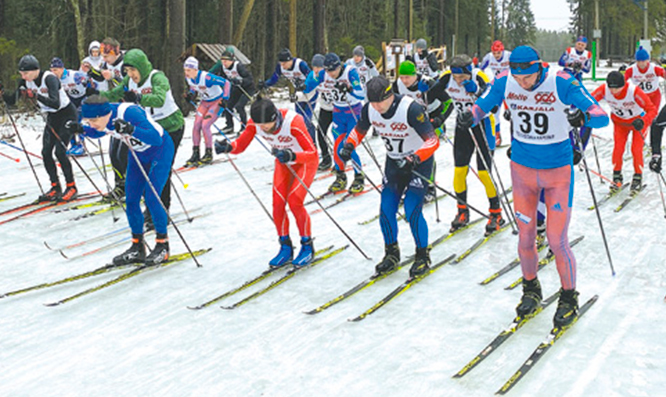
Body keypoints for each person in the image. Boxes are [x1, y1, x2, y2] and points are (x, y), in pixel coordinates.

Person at [461, 45, 609, 328]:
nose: (523, 83)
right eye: (518, 78)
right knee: (526, 237)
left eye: (527, 77)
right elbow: (483, 104)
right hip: (523, 172)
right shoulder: (506, 80)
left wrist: (582, 118)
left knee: (556, 240)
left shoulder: (561, 81)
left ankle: (568, 297)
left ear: (539, 67)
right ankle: (531, 289)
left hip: (557, 173)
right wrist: (472, 115)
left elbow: (601, 115)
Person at [339, 76, 439, 277]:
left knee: (412, 210)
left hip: (418, 163)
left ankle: (422, 255)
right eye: (373, 102)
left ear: (390, 96)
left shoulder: (410, 109)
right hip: (394, 163)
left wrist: (415, 157)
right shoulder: (370, 109)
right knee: (386, 209)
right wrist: (349, 145)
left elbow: (432, 140)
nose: (377, 106)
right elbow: (359, 130)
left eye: (380, 101)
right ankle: (391, 253)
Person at [214, 97, 318, 267]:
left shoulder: (293, 122)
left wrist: (291, 155)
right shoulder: (255, 123)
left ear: (275, 118)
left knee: (295, 201)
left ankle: (307, 245)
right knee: (277, 204)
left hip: (304, 162)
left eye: (266, 125)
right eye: (259, 125)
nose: (262, 129)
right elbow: (241, 145)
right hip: (284, 163)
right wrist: (227, 147)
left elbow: (312, 153)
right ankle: (285, 247)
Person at [77, 95, 174, 265]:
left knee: (151, 198)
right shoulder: (102, 119)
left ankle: (162, 245)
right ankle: (137, 247)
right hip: (138, 154)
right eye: (88, 120)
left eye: (93, 120)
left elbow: (155, 138)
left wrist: (130, 129)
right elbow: (99, 131)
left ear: (104, 114)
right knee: (131, 200)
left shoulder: (129, 112)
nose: (91, 124)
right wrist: (81, 129)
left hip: (160, 150)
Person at [101, 49, 185, 228]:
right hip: (152, 129)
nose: (131, 75)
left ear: (142, 67)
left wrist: (139, 97)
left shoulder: (157, 77)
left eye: (133, 70)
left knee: (162, 170)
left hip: (171, 126)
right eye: (128, 71)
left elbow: (160, 99)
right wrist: (96, 99)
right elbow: (114, 94)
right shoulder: (129, 80)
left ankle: (162, 210)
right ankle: (151, 207)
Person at [432, 54, 501, 235]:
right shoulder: (447, 77)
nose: (458, 80)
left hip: (483, 127)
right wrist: (424, 88)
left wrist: (477, 91)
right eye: (456, 77)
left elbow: (494, 106)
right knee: (459, 171)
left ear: (469, 72)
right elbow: (433, 94)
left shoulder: (480, 76)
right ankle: (462, 211)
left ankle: (496, 212)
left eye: (462, 77)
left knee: (484, 173)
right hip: (463, 127)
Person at [1, 55, 78, 202]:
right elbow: (12, 101)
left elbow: (55, 103)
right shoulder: (25, 81)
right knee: (46, 152)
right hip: (52, 117)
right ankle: (55, 187)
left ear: (35, 70)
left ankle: (72, 186)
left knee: (60, 152)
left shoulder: (49, 78)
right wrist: (3, 94)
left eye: (26, 73)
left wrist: (36, 96)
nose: (23, 76)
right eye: (21, 74)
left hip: (67, 114)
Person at [302, 52, 366, 193]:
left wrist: (349, 89)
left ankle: (359, 176)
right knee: (337, 145)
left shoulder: (350, 72)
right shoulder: (324, 74)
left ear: (338, 67)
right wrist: (301, 87)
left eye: (333, 71)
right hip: (338, 113)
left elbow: (362, 94)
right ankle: (340, 176)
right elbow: (308, 86)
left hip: (353, 112)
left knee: (349, 145)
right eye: (328, 71)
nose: (330, 74)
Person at [393, 60, 453, 202]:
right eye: (402, 77)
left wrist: (441, 119)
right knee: (409, 153)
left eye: (407, 77)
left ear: (415, 75)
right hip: (414, 121)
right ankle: (410, 185)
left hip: (433, 119)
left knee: (426, 153)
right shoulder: (397, 85)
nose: (404, 80)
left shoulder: (428, 83)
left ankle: (429, 187)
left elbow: (449, 103)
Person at [590, 71, 657, 192]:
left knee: (636, 149)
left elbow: (652, 110)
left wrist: (643, 121)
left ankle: (637, 176)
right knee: (618, 148)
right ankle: (617, 176)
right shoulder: (604, 89)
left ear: (624, 84)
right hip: (620, 124)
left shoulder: (634, 91)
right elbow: (589, 100)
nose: (614, 92)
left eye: (617, 88)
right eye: (611, 88)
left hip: (637, 124)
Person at [258, 48, 316, 139]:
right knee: (300, 120)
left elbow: (311, 76)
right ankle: (304, 142)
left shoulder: (300, 64)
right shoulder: (280, 66)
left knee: (307, 121)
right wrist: (265, 84)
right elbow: (274, 78)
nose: (282, 66)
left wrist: (305, 84)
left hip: (310, 93)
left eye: (284, 63)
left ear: (290, 60)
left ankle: (313, 142)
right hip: (298, 94)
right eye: (281, 63)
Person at [183, 56, 231, 166]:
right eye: (185, 70)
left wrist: (225, 98)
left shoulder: (207, 77)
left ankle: (208, 153)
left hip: (216, 102)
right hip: (205, 102)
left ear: (195, 69)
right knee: (196, 125)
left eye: (189, 70)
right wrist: (190, 94)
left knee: (205, 125)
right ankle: (196, 153)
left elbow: (227, 83)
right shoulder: (189, 78)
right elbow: (193, 87)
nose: (186, 73)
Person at [209, 48, 256, 134]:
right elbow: (223, 79)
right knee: (227, 105)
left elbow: (250, 79)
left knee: (239, 106)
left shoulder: (238, 66)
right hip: (236, 88)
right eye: (222, 60)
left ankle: (244, 126)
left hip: (247, 88)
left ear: (231, 60)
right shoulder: (223, 68)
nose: (224, 63)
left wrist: (240, 81)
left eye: (226, 61)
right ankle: (229, 126)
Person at [49, 57, 89, 156]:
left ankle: (81, 145)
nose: (54, 73)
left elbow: (90, 81)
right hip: (71, 100)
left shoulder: (74, 75)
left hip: (83, 98)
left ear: (62, 68)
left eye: (56, 70)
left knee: (76, 120)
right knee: (68, 122)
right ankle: (74, 144)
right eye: (52, 70)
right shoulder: (54, 79)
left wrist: (87, 84)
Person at [479, 40, 512, 146]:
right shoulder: (488, 57)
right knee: (495, 112)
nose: (496, 55)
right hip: (498, 87)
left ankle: (515, 137)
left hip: (510, 87)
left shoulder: (509, 56)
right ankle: (497, 135)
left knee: (512, 113)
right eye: (494, 53)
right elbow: (480, 69)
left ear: (502, 51)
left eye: (498, 53)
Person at [307, 54, 334, 171]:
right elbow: (306, 89)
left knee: (338, 134)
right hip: (325, 109)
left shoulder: (331, 75)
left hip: (339, 108)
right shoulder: (313, 76)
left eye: (319, 67)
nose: (316, 70)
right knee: (321, 133)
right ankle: (326, 158)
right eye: (314, 67)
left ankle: (341, 160)